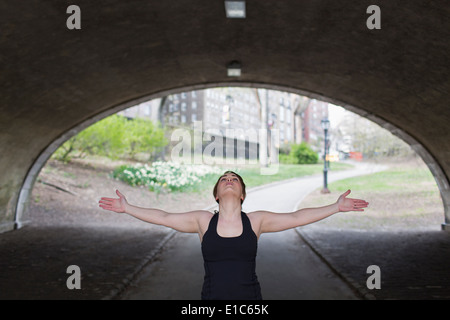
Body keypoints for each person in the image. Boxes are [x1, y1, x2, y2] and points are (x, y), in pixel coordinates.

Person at [99, 170, 369, 300]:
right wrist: (127, 208)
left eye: (235, 179)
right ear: (216, 194)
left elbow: (297, 217)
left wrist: (335, 207)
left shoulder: (257, 221)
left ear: (241, 194)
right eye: (224, 178)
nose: (229, 179)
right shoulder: (202, 221)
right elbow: (164, 217)